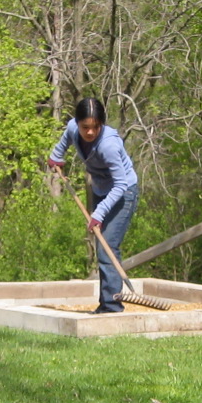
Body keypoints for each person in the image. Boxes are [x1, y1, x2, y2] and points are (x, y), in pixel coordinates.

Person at [47, 98, 139, 314]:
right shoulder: (72, 128)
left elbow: (121, 184)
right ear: (78, 123)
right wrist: (56, 157)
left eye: (95, 127)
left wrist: (98, 212)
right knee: (102, 248)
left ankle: (111, 307)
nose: (89, 132)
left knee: (107, 247)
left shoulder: (108, 145)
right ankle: (107, 303)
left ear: (102, 124)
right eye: (85, 127)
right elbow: (63, 143)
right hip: (101, 190)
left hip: (123, 192)